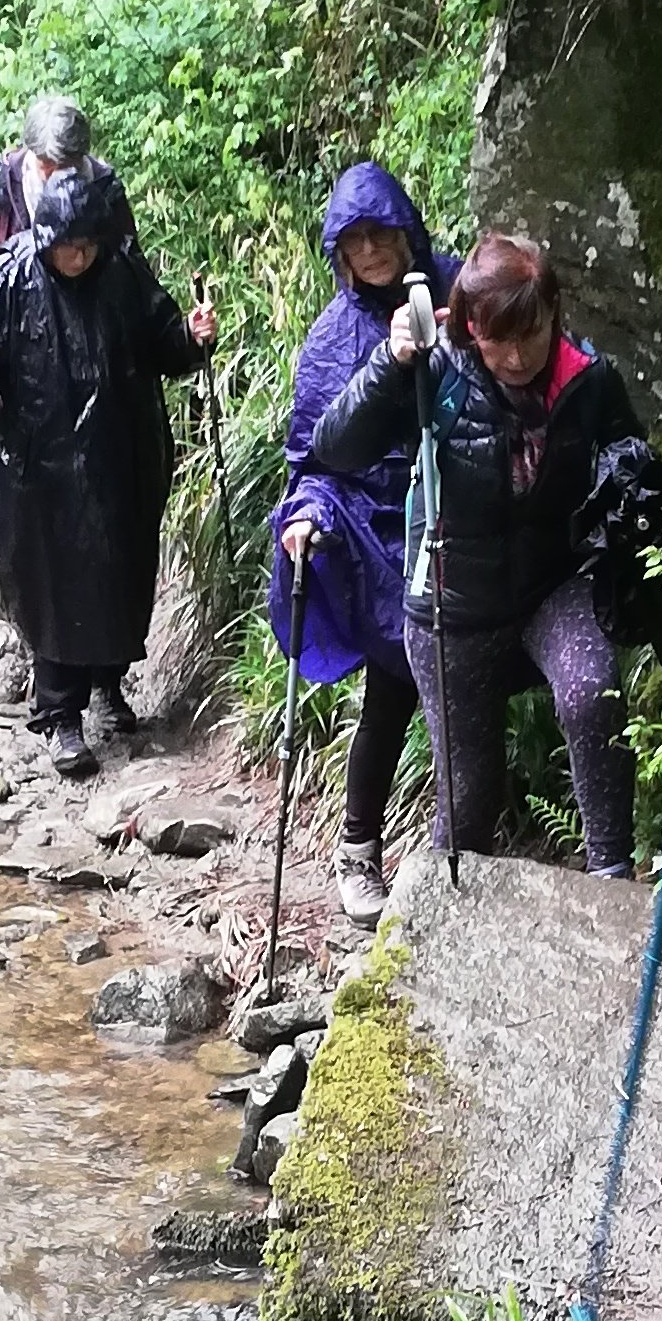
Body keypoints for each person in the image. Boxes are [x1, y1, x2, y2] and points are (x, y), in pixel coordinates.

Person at [310, 228, 641, 875]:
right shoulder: (435, 370)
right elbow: (337, 447)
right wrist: (390, 363)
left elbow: (628, 448)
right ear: (468, 326)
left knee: (590, 693)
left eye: (532, 332)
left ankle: (614, 880)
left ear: (554, 314)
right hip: (451, 607)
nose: (518, 355)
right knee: (469, 801)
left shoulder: (588, 379)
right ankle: (426, 946)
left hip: (552, 585)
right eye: (499, 339)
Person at [0, 158, 214, 773]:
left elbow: (162, 344)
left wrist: (191, 334)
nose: (79, 259)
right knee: (53, 581)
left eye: (87, 247)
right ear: (46, 242)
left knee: (120, 570)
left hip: (118, 455)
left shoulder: (120, 269)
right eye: (69, 249)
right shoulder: (9, 280)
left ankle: (108, 686)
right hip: (38, 469)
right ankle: (61, 715)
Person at [273, 160, 460, 920]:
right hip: (379, 526)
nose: (374, 251)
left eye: (383, 233)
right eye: (356, 241)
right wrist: (305, 517)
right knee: (395, 684)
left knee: (465, 679)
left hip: (465, 510)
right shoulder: (333, 337)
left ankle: (468, 842)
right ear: (339, 254)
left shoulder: (459, 288)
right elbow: (315, 458)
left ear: (406, 229)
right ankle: (359, 850)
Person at [0, 94, 134, 362]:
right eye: (47, 168)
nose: (56, 177)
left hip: (90, 329)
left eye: (65, 168)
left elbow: (130, 263)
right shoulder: (5, 181)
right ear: (32, 154)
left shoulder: (103, 187)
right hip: (17, 328)